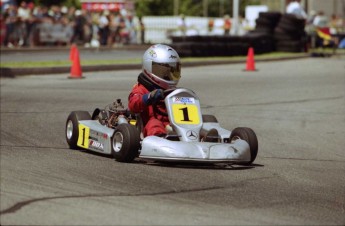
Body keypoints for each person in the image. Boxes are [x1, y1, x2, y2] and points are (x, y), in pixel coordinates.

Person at [128, 44, 219, 142]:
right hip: (150, 124)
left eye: (172, 70)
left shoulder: (171, 90)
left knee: (197, 121)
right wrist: (149, 97)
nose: (168, 75)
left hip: (173, 122)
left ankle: (206, 137)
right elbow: (133, 105)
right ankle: (162, 140)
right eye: (163, 71)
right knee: (154, 124)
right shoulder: (141, 89)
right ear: (149, 68)